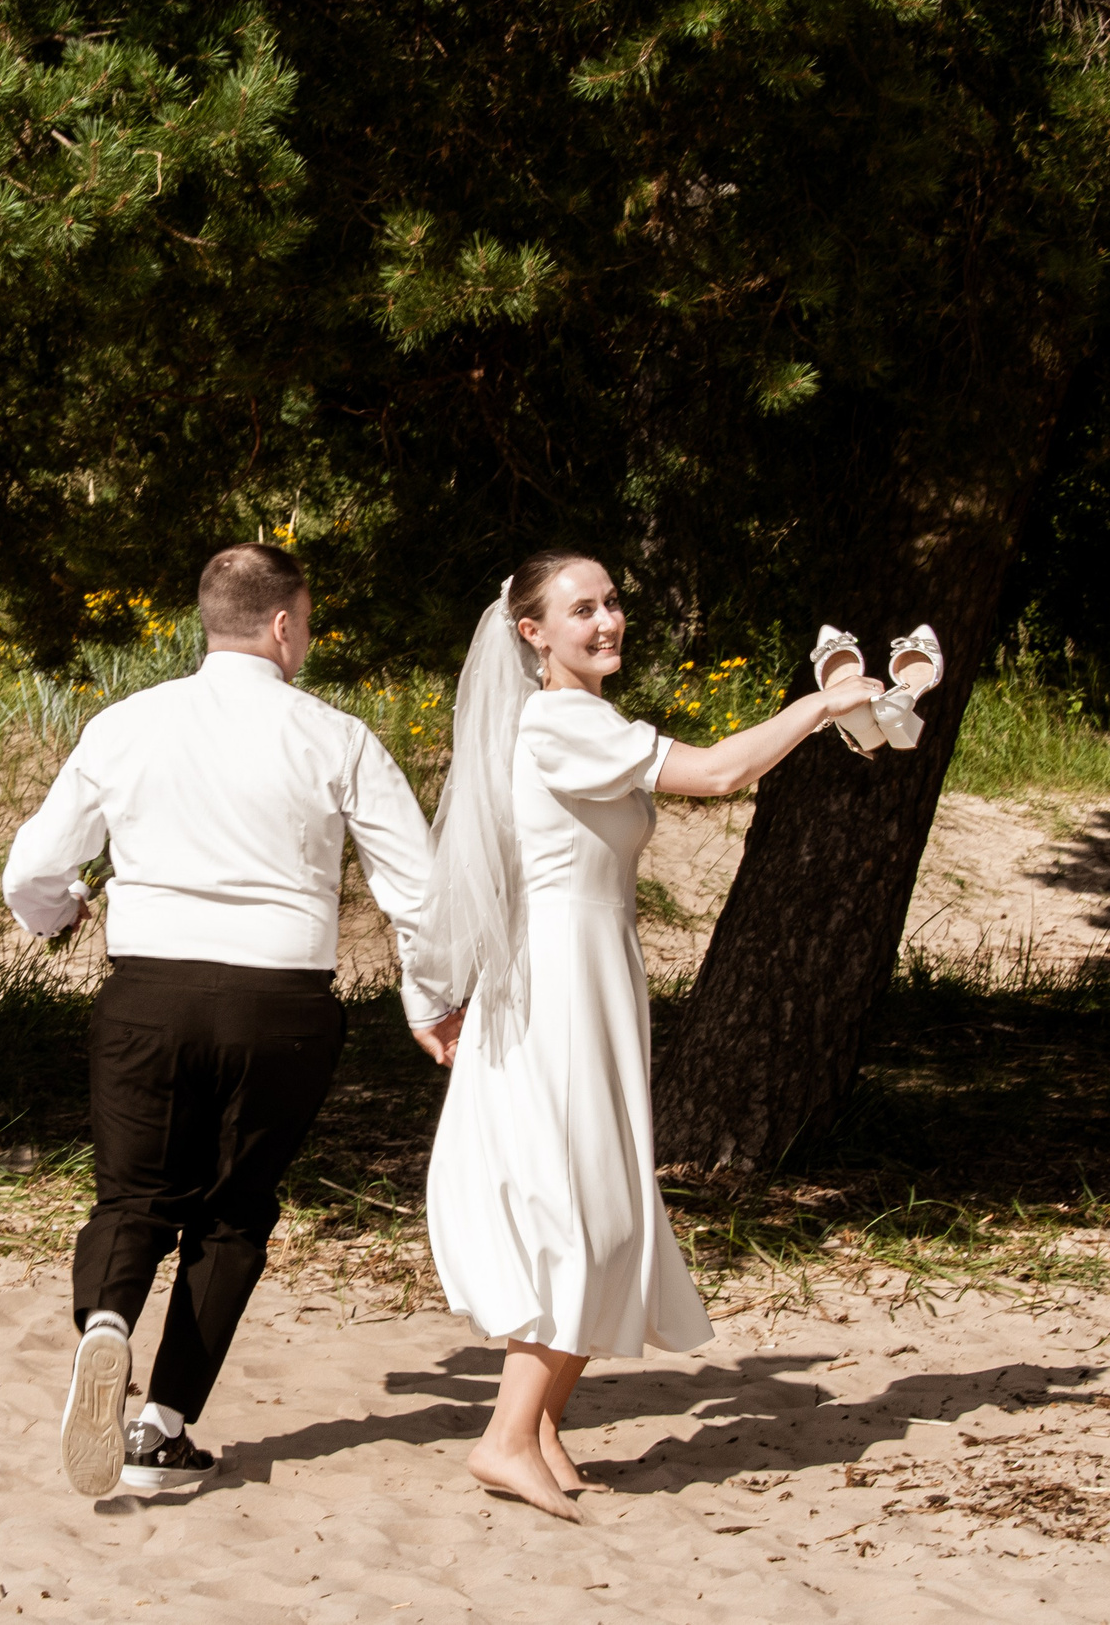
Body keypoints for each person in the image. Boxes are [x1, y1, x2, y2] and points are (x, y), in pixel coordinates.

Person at [418, 551, 884, 1521]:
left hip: (590, 973)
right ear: (533, 634)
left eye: (613, 602)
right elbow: (716, 773)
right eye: (580, 609)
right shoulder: (557, 721)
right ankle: (504, 1438)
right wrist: (823, 702)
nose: (607, 621)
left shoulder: (570, 721)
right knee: (583, 1209)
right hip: (556, 983)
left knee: (606, 1203)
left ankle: (540, 1427)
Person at [2, 543, 463, 1498]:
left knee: (133, 1199)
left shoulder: (126, 724)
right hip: (280, 1007)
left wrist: (65, 912)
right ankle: (161, 1424)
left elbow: (32, 870)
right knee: (233, 1213)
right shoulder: (336, 736)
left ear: (207, 619)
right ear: (285, 625)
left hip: (149, 994)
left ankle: (106, 1326)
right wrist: (432, 1001)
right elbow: (418, 891)